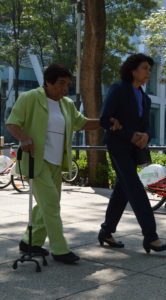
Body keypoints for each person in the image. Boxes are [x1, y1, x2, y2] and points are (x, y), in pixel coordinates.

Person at [6, 64, 121, 264]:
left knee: (45, 205)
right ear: (48, 82)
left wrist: (105, 122)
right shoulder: (30, 98)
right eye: (61, 84)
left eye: (67, 84)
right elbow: (12, 122)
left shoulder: (66, 104)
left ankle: (29, 241)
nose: (65, 89)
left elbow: (82, 123)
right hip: (36, 160)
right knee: (50, 204)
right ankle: (59, 249)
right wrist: (23, 138)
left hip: (57, 162)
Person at [99, 53, 166, 253]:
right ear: (132, 70)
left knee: (122, 192)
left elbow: (147, 126)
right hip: (118, 146)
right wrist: (130, 134)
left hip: (135, 149)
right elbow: (105, 119)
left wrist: (146, 136)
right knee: (136, 189)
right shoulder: (118, 89)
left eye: (150, 69)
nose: (148, 72)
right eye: (144, 68)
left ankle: (106, 231)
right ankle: (151, 236)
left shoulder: (145, 98)